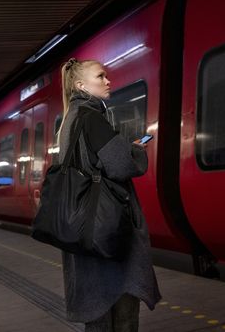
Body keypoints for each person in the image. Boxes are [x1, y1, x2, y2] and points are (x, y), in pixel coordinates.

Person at [57, 58, 161, 331]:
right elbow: (120, 165)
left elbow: (97, 161)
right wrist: (135, 151)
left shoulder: (71, 119)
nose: (108, 81)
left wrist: (122, 147)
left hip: (85, 226)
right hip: (108, 226)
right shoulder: (92, 117)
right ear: (80, 85)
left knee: (98, 311)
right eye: (100, 76)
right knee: (121, 304)